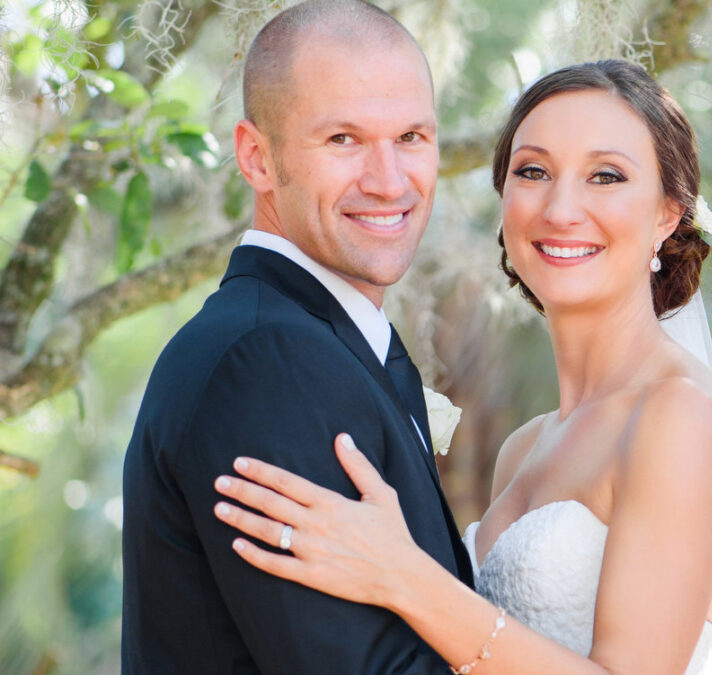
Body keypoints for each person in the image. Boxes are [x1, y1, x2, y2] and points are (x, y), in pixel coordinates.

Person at [212, 60, 712, 673]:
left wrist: (404, 577)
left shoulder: (679, 414)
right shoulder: (524, 447)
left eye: (606, 176)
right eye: (533, 171)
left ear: (667, 213)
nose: (560, 209)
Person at [120, 1, 473, 673]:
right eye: (343, 139)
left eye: (411, 137)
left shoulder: (312, 339)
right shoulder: (267, 363)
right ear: (255, 156)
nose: (389, 180)